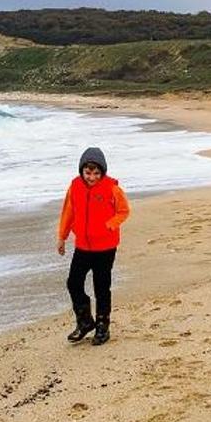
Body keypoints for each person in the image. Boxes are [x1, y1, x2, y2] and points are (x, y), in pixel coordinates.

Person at [57, 146, 130, 346]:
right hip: (82, 246)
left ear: (102, 172)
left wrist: (109, 225)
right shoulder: (74, 187)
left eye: (96, 173)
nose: (91, 177)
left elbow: (124, 211)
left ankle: (102, 327)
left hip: (105, 248)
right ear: (81, 170)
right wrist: (62, 237)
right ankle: (85, 321)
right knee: (73, 283)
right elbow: (68, 213)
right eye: (88, 172)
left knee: (101, 288)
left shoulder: (112, 188)